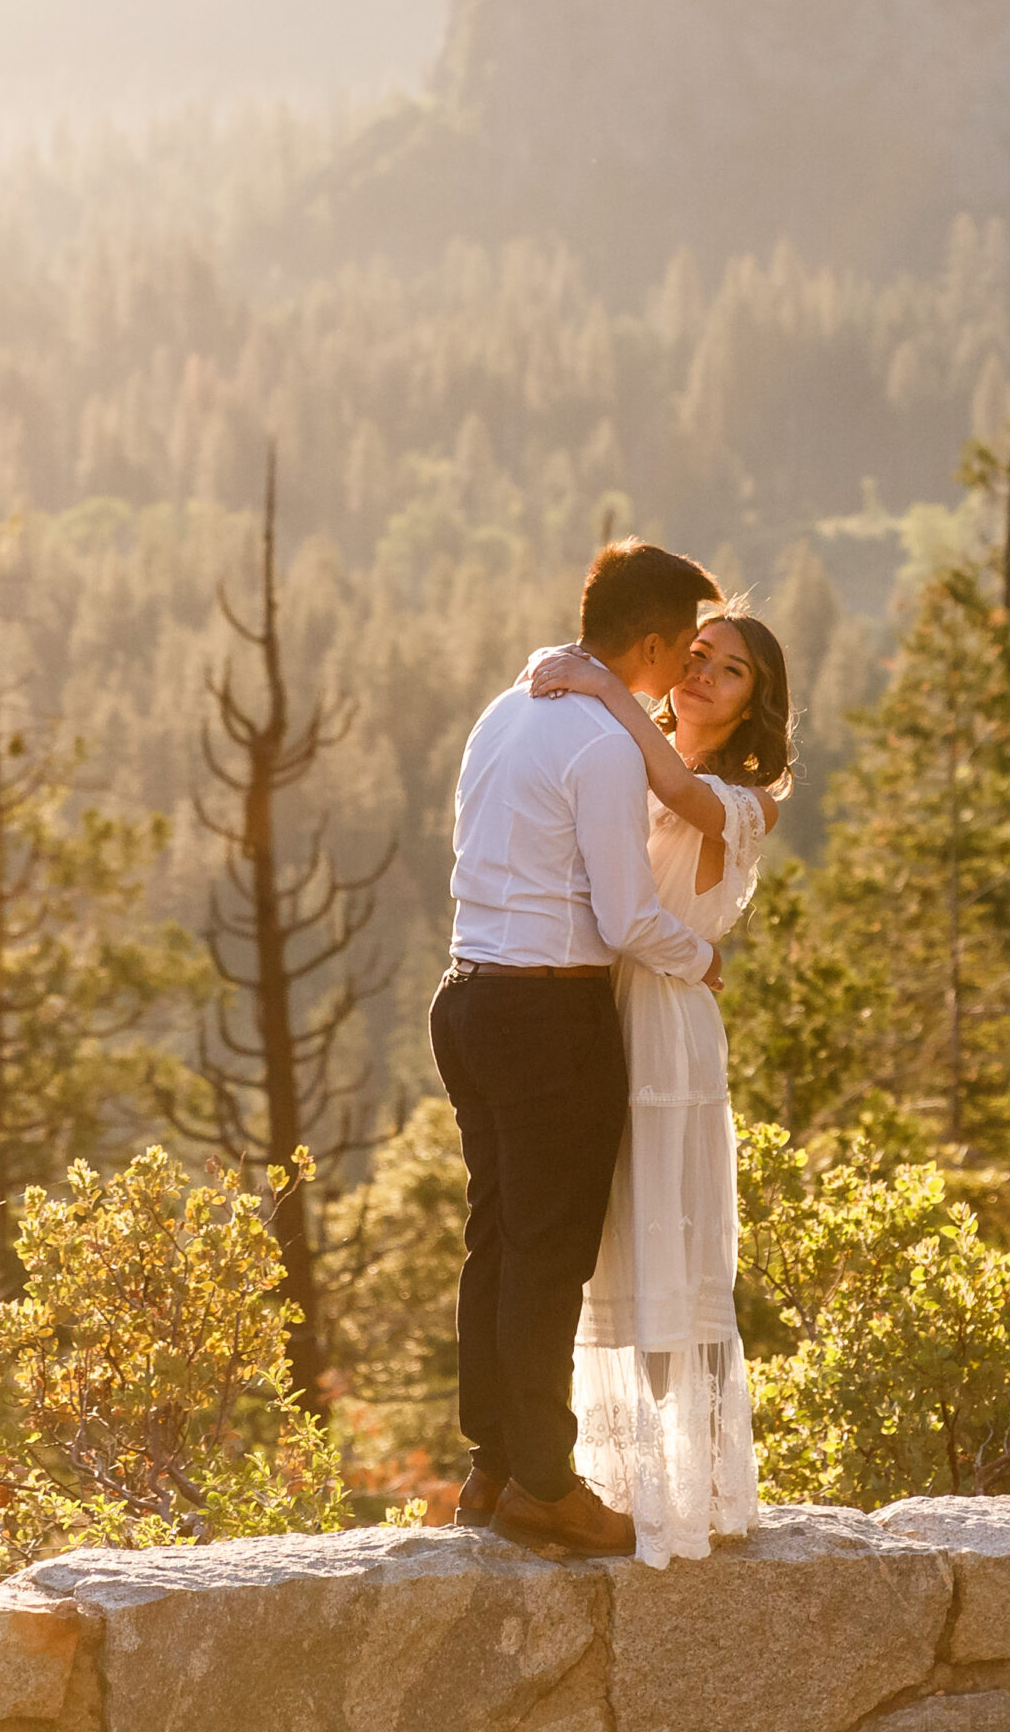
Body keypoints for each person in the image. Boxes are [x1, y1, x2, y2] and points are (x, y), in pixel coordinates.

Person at [428, 538, 722, 1558]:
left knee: (499, 1238)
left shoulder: (505, 711)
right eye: (685, 645)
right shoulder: (600, 745)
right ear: (648, 640)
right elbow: (629, 912)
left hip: (466, 999)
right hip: (548, 1015)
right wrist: (703, 956)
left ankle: (496, 1463)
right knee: (549, 1256)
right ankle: (549, 1483)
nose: (688, 665)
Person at [527, 610, 792, 1566]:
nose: (706, 677)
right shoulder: (618, 752)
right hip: (598, 1006)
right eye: (696, 658)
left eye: (732, 672)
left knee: (666, 1246)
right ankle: (612, 1481)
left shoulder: (746, 794)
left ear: (756, 701)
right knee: (605, 1246)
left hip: (669, 1019)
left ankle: (690, 1486)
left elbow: (675, 786)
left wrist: (603, 683)